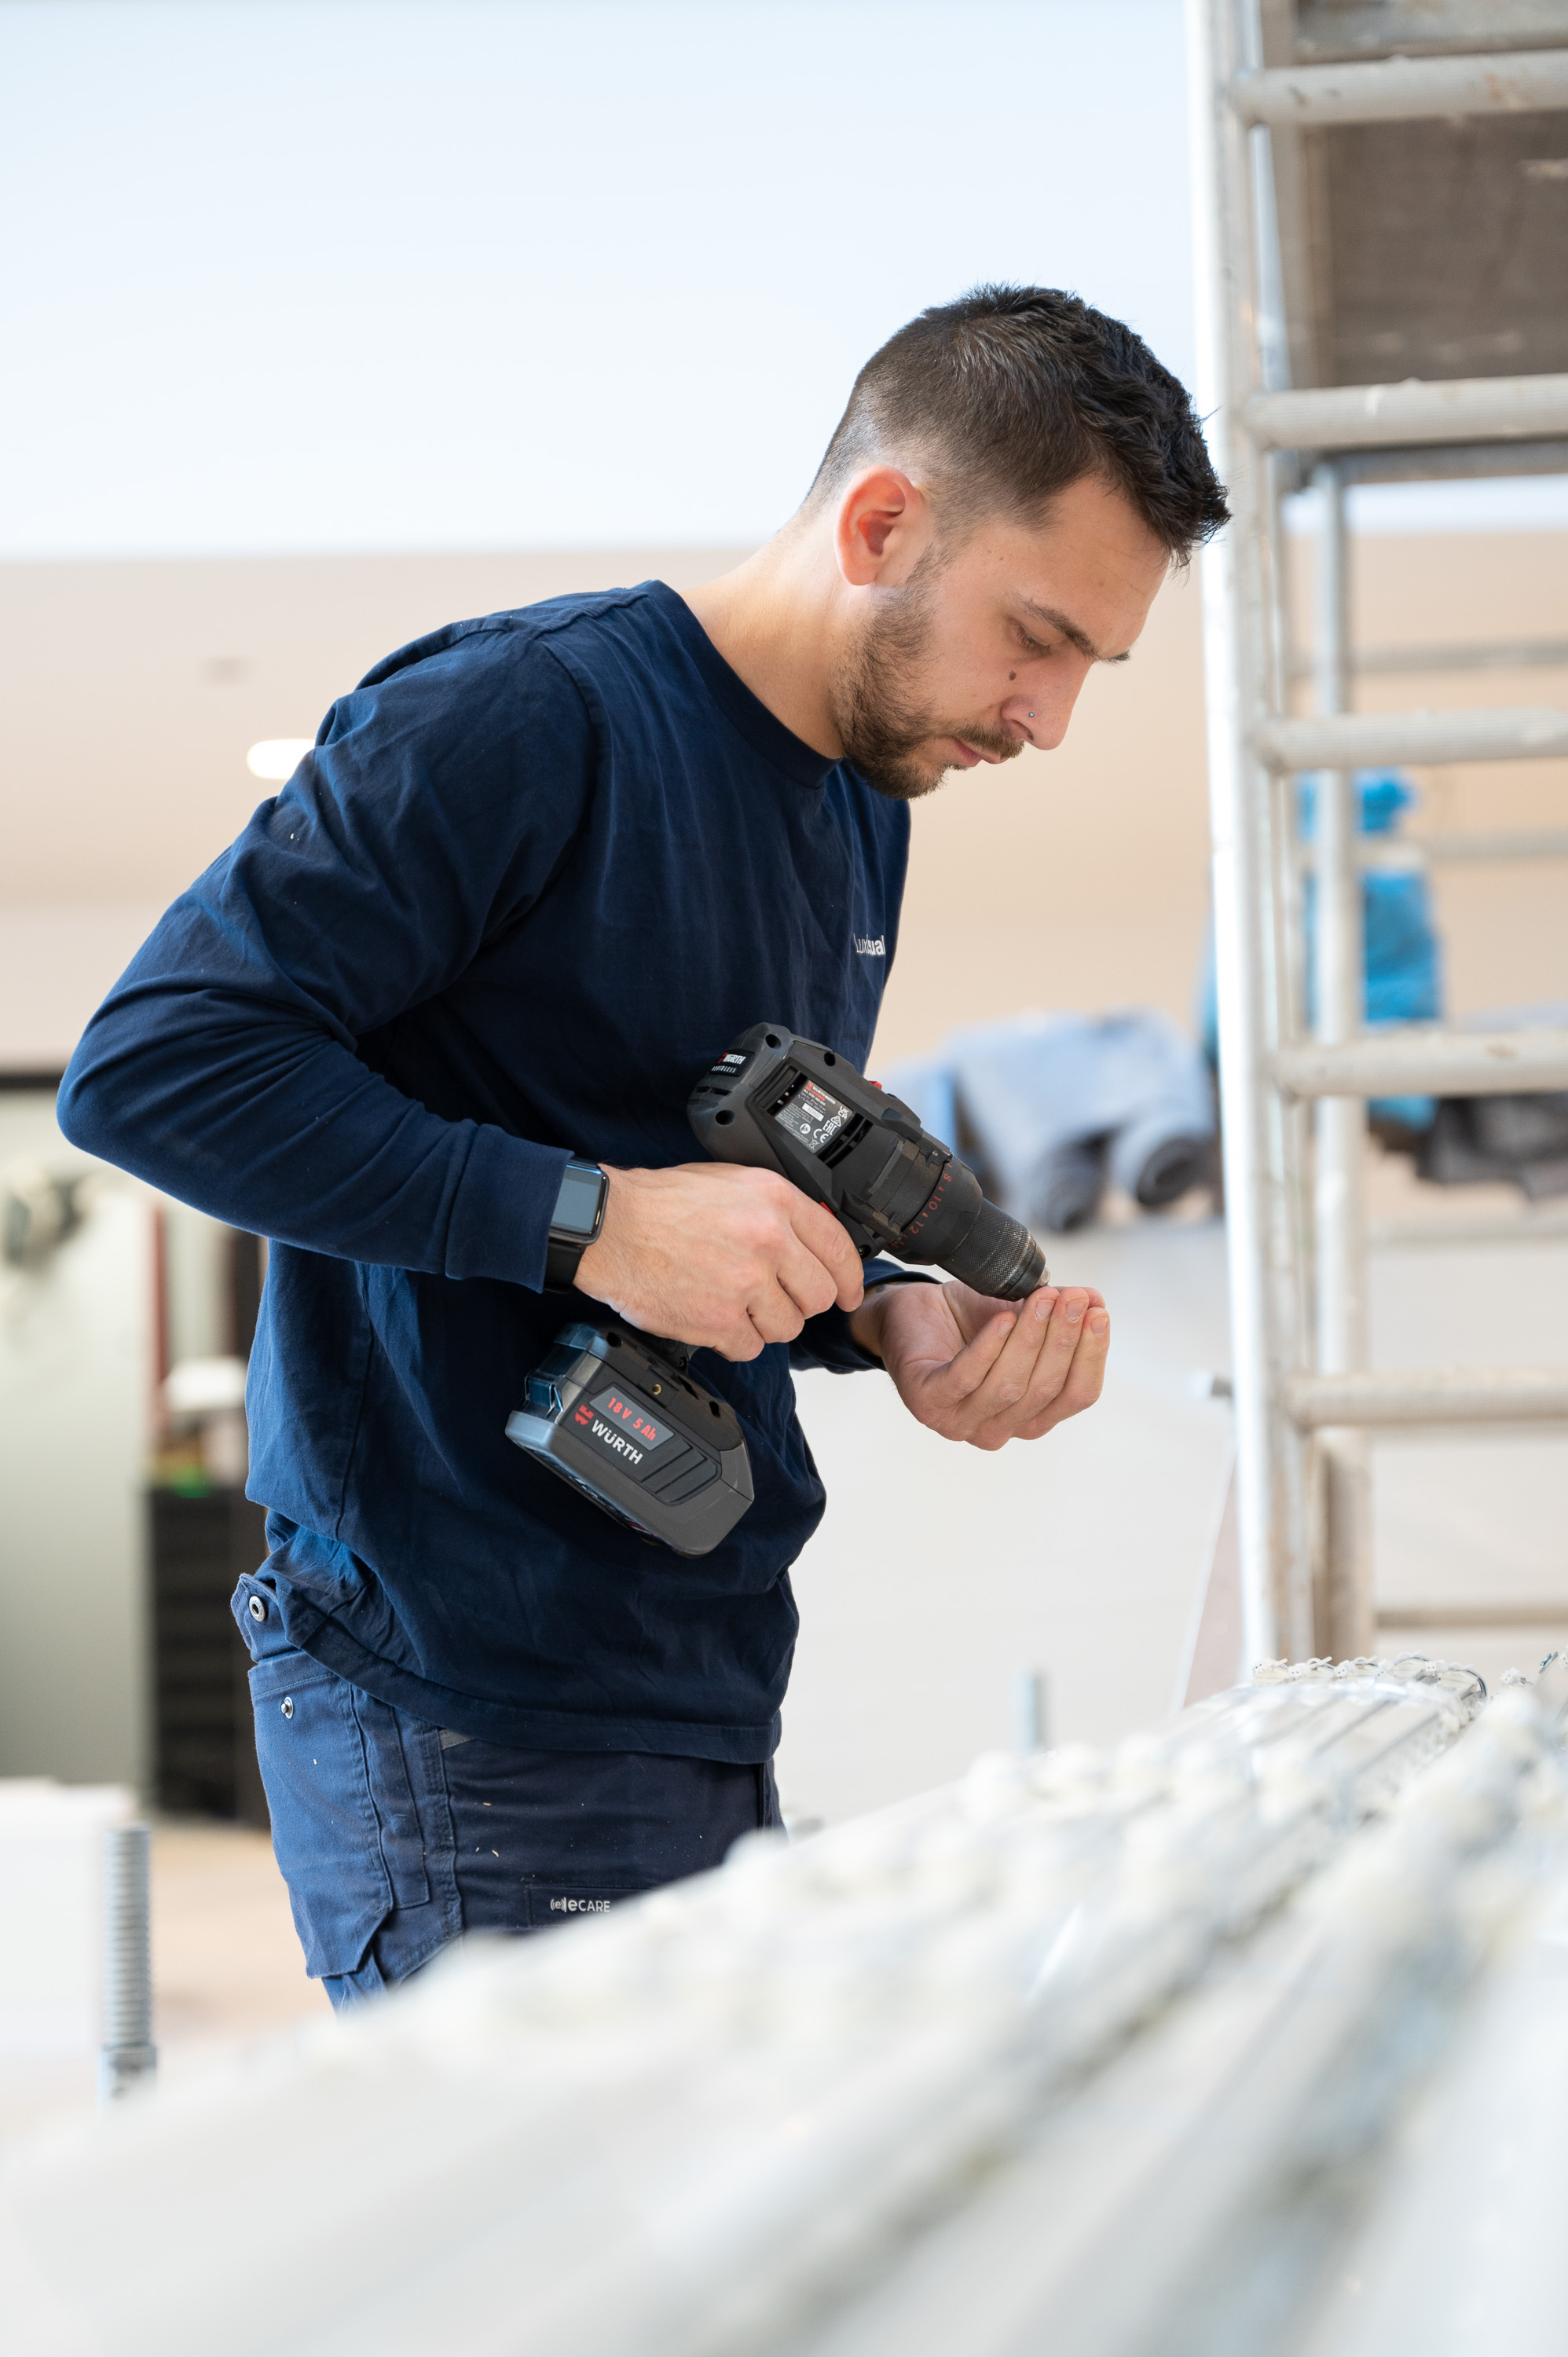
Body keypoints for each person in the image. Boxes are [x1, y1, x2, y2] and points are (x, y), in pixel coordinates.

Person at [59, 285, 1229, 2003]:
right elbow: (154, 1066)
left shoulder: (860, 807)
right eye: (1033, 638)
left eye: (1086, 671)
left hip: (695, 1679)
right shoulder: (523, 715)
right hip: (453, 1695)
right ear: (882, 524)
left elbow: (703, 1193)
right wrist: (589, 1220)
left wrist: (878, 1310)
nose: (1045, 719)